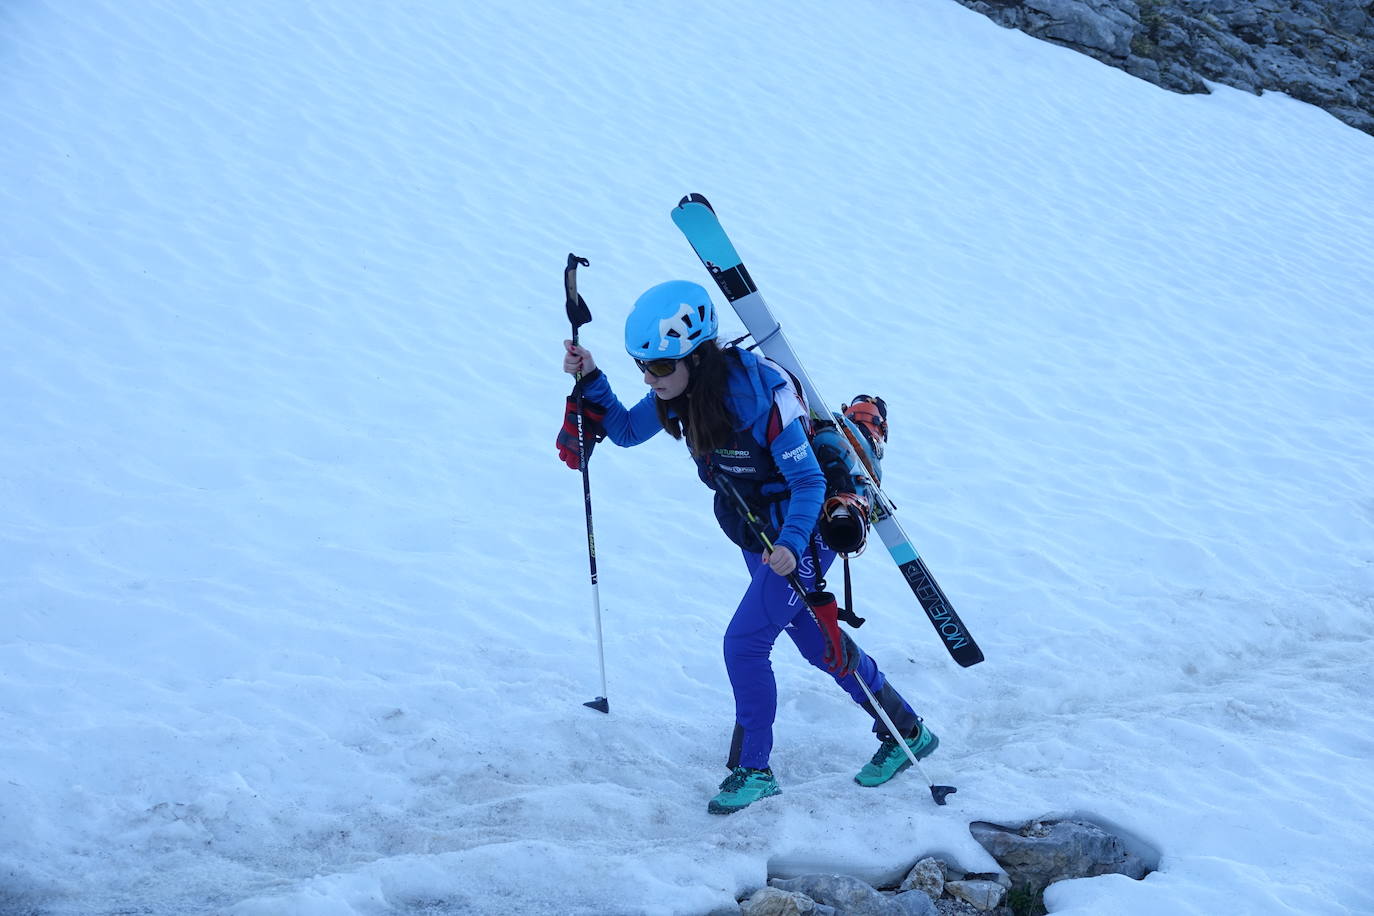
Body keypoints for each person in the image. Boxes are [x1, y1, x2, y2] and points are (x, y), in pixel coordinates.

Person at [560, 279, 937, 815]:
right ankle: (907, 732)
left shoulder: (758, 398)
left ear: (697, 354)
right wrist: (592, 377)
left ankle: (753, 770)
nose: (649, 377)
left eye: (661, 367)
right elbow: (622, 431)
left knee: (744, 643)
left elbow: (808, 484)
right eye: (641, 365)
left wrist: (789, 544)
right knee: (813, 642)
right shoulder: (680, 393)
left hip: (799, 530)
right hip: (755, 530)